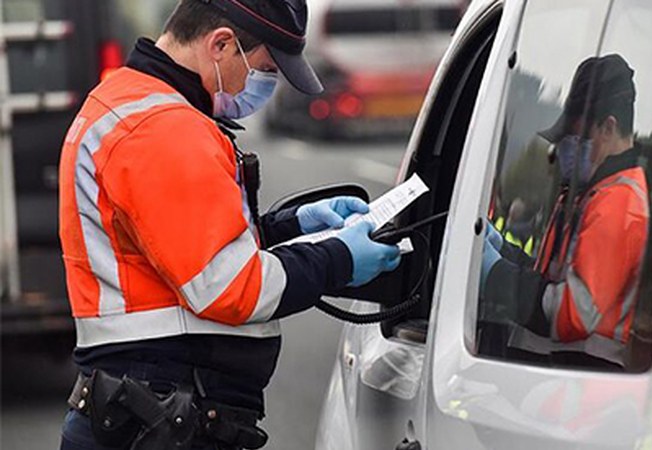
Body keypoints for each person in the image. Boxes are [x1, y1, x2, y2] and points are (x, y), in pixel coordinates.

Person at [58, 0, 400, 448]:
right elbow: (230, 286)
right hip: (160, 412)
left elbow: (175, 248)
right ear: (221, 44)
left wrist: (290, 226)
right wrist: (339, 258)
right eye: (264, 68)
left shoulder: (131, 103)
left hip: (141, 406)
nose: (268, 86)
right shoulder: (164, 129)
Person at [481, 54, 649, 369]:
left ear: (608, 128)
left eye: (576, 136)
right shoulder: (591, 191)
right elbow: (553, 277)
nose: (565, 149)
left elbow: (574, 312)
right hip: (556, 374)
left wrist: (495, 275)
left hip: (579, 378)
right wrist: (504, 253)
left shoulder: (619, 203)